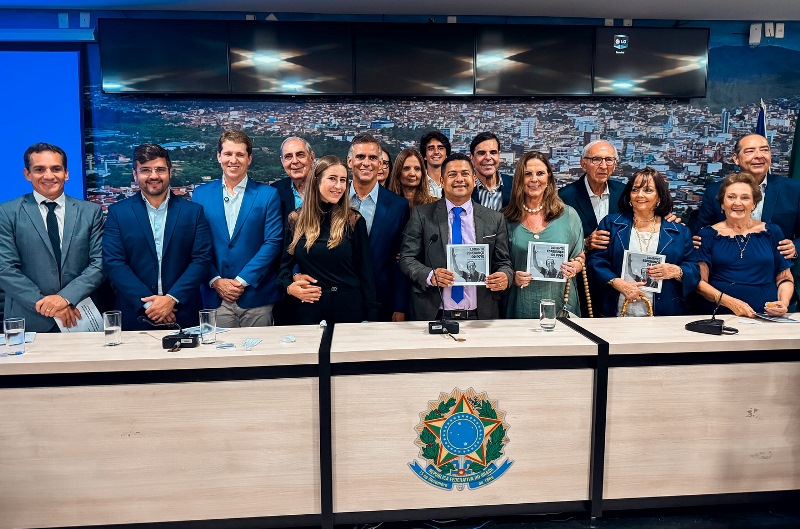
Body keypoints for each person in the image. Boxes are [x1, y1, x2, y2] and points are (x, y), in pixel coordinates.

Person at [103, 144, 211, 331]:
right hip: (135, 314)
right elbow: (114, 263)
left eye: (160, 169)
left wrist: (171, 299)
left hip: (183, 312)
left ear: (170, 172)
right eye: (145, 170)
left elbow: (201, 260)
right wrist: (150, 305)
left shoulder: (193, 212)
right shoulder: (118, 213)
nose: (153, 176)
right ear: (135, 175)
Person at [0, 143, 105, 332]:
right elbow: (4, 268)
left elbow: (99, 264)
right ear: (27, 174)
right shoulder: (6, 212)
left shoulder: (91, 212)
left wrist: (65, 298)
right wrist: (48, 306)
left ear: (66, 173)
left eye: (56, 169)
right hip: (29, 319)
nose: (49, 176)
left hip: (79, 315)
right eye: (39, 169)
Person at [400, 153, 513, 321]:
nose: (459, 179)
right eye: (452, 174)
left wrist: (505, 276)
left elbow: (504, 263)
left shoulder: (494, 219)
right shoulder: (422, 215)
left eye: (465, 174)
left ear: (474, 180)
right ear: (442, 181)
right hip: (433, 314)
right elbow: (407, 258)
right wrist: (430, 275)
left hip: (481, 316)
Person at [191, 130, 283, 327]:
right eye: (228, 154)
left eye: (240, 154)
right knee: (219, 357)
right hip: (215, 296)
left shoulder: (268, 195)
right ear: (219, 156)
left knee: (259, 356)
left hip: (256, 296)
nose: (234, 160)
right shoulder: (200, 195)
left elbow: (273, 242)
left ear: (249, 158)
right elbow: (195, 245)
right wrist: (216, 281)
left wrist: (242, 280)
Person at [277, 155, 378, 324]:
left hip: (348, 310)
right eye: (332, 179)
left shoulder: (354, 221)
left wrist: (372, 317)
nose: (339, 186)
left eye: (343, 180)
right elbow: (283, 270)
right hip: (308, 308)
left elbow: (366, 273)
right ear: (316, 181)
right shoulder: (296, 220)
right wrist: (289, 287)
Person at [587, 168, 699, 317]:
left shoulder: (679, 231)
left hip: (664, 312)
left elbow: (694, 269)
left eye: (648, 190)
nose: (640, 195)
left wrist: (676, 271)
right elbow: (595, 261)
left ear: (659, 196)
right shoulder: (611, 224)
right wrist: (618, 283)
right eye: (635, 190)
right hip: (617, 307)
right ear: (629, 196)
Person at [695, 172, 793, 318]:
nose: (737, 203)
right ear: (722, 203)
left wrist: (783, 303)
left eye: (745, 198)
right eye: (731, 197)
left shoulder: (772, 232)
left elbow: (785, 278)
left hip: (767, 316)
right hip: (720, 316)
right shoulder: (707, 235)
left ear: (754, 204)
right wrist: (731, 303)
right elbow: (700, 284)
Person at [504, 151, 584, 319]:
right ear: (519, 179)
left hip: (561, 303)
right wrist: (512, 277)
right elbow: (497, 263)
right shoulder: (505, 218)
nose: (534, 179)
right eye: (528, 174)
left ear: (549, 178)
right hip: (519, 305)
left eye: (540, 173)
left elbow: (580, 257)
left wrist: (575, 267)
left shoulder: (569, 216)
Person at [695, 134, 799, 262]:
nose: (759, 156)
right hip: (726, 269)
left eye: (764, 150)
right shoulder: (714, 191)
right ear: (736, 159)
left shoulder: (794, 189)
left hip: (775, 270)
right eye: (750, 151)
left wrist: (795, 248)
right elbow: (701, 233)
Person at [347, 133, 410, 321]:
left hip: (383, 300)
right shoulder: (334, 200)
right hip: (340, 299)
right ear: (350, 161)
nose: (366, 163)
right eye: (360, 157)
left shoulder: (398, 206)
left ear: (381, 163)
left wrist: (400, 305)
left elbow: (402, 259)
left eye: (373, 157)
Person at [272, 136, 315, 223]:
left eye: (300, 155)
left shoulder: (327, 188)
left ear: (312, 157)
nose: (295, 161)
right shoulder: (275, 191)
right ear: (282, 161)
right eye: (288, 156)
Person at [469, 131, 512, 211]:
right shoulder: (465, 187)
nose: (488, 157)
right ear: (472, 158)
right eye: (481, 153)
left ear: (499, 156)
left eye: (493, 153)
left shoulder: (514, 185)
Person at [419, 130, 451, 198]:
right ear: (424, 156)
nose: (436, 152)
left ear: (446, 155)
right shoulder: (418, 182)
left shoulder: (454, 181)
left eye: (440, 148)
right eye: (431, 148)